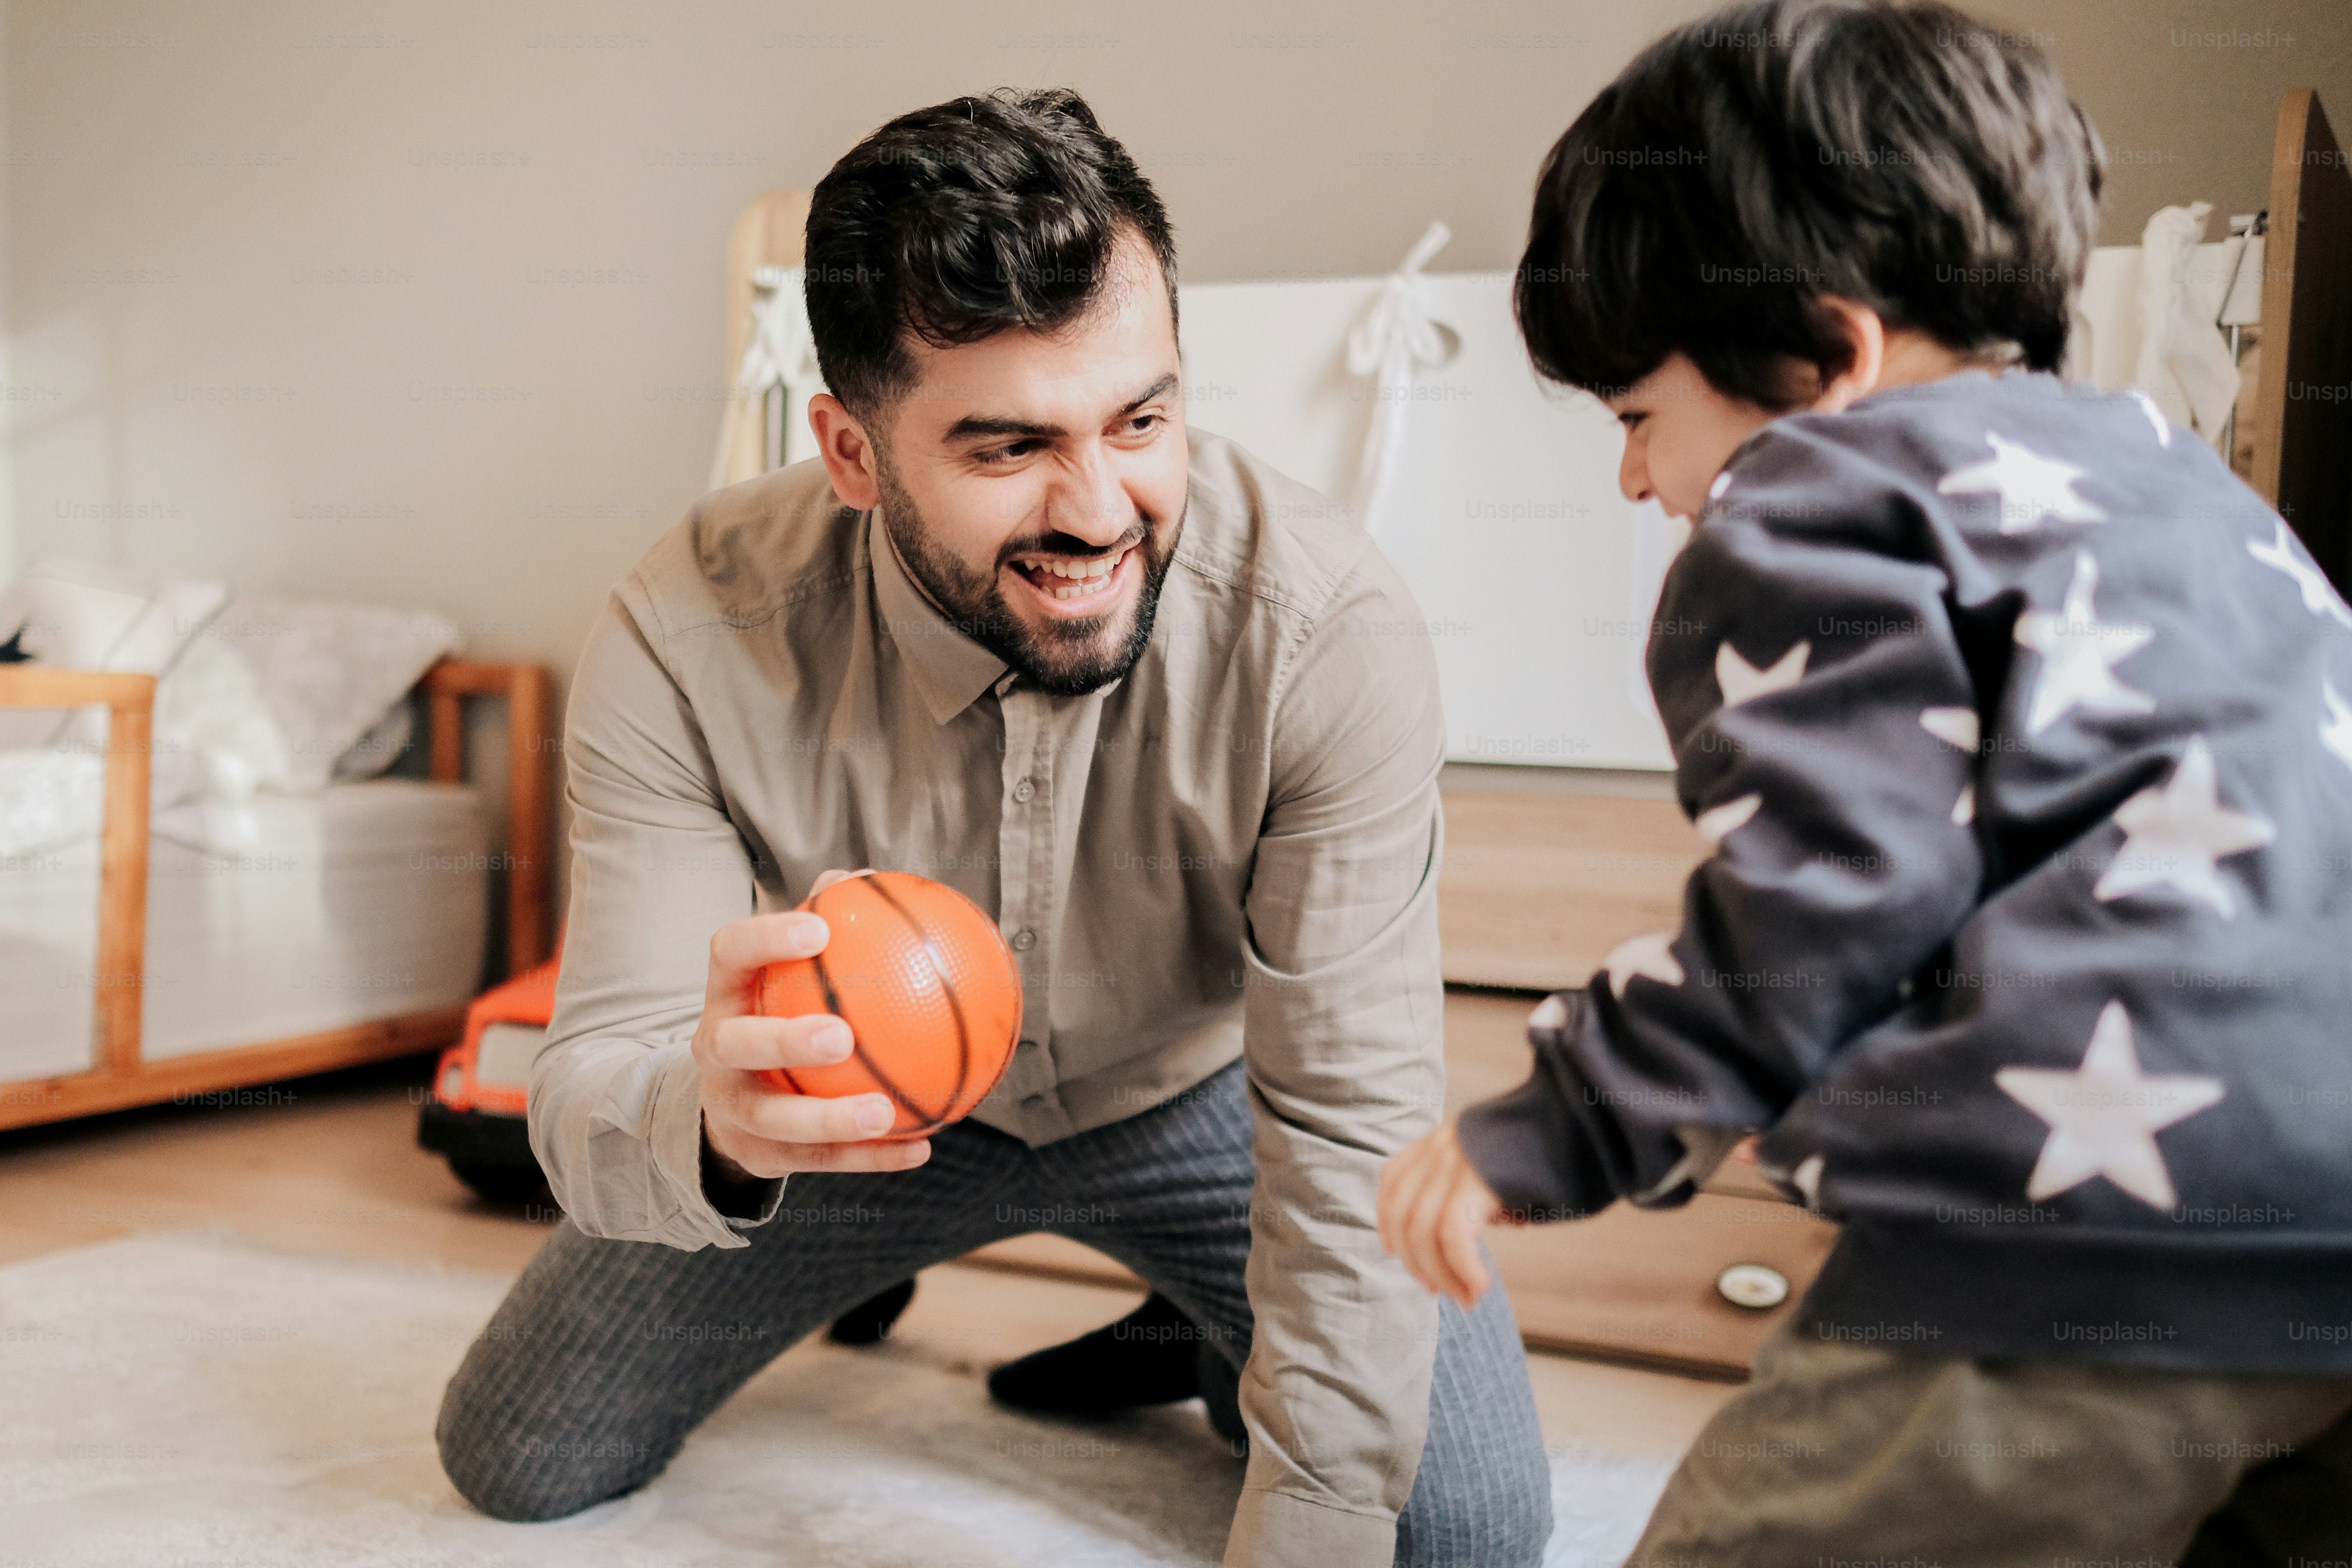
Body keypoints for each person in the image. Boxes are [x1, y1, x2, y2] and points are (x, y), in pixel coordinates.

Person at [433, 88, 1553, 1567]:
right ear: (850, 452)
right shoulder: (685, 627)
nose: (1099, 512)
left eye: (1141, 420)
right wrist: (714, 1127)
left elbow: (1349, 1128)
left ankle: (1202, 1314)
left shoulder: (1325, 625)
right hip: (848, 1124)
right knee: (514, 1455)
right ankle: (1112, 1302)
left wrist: (1316, 1514)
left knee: (1454, 1530)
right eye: (1006, 448)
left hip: (1208, 1105)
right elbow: (590, 1091)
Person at [1379, 3, 2352, 1563]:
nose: (1637, 478)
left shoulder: (1819, 498)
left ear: (1830, 356)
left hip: (2067, 1246)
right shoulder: (2184, 485)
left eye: (1638, 416)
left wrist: (1558, 1120)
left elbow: (1824, 899)